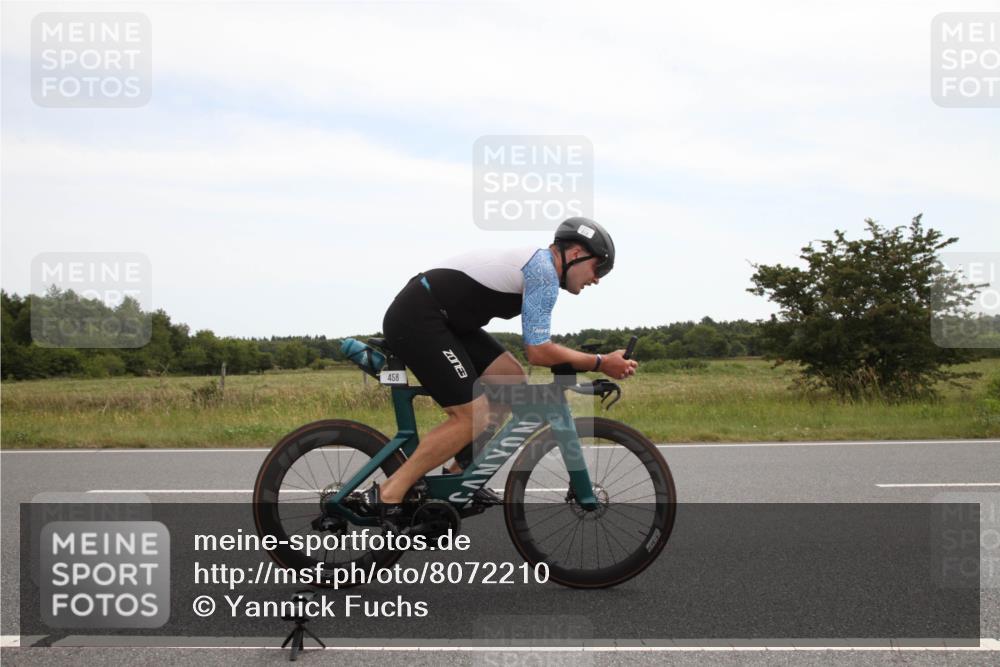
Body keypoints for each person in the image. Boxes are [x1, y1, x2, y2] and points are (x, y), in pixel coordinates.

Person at [366, 217, 637, 523]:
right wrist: (601, 361)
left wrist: (586, 362)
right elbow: (539, 351)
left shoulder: (542, 269)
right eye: (598, 268)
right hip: (419, 316)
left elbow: (540, 350)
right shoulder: (543, 272)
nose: (597, 279)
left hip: (447, 320)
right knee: (471, 416)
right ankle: (390, 492)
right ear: (576, 254)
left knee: (511, 379)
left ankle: (460, 477)